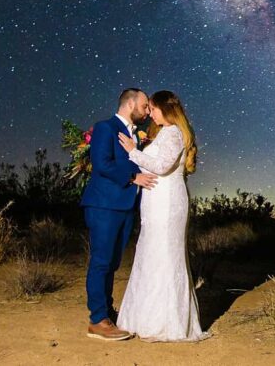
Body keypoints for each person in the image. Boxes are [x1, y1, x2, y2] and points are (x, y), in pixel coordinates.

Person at [116, 90, 209, 342]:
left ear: (166, 109)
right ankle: (145, 318)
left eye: (153, 108)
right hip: (155, 201)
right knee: (151, 253)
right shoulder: (164, 133)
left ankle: (166, 324)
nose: (150, 114)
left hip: (167, 202)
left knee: (165, 255)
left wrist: (133, 151)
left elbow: (162, 166)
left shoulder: (174, 132)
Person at [80, 88, 158, 341]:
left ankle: (106, 311)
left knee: (112, 263)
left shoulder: (136, 135)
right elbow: (102, 163)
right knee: (101, 261)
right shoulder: (105, 127)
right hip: (104, 205)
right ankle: (97, 320)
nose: (147, 112)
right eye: (145, 106)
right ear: (131, 103)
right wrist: (134, 177)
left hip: (125, 207)